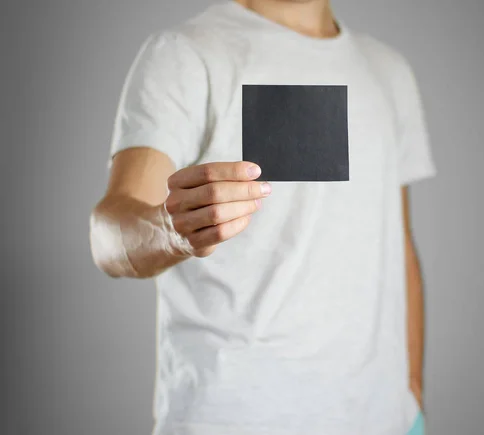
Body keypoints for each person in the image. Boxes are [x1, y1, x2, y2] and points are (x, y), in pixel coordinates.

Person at [89, 0, 436, 434]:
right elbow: (108, 235)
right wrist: (171, 230)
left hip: (384, 420)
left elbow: (397, 244)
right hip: (236, 418)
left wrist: (411, 394)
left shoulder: (388, 69)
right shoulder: (185, 52)